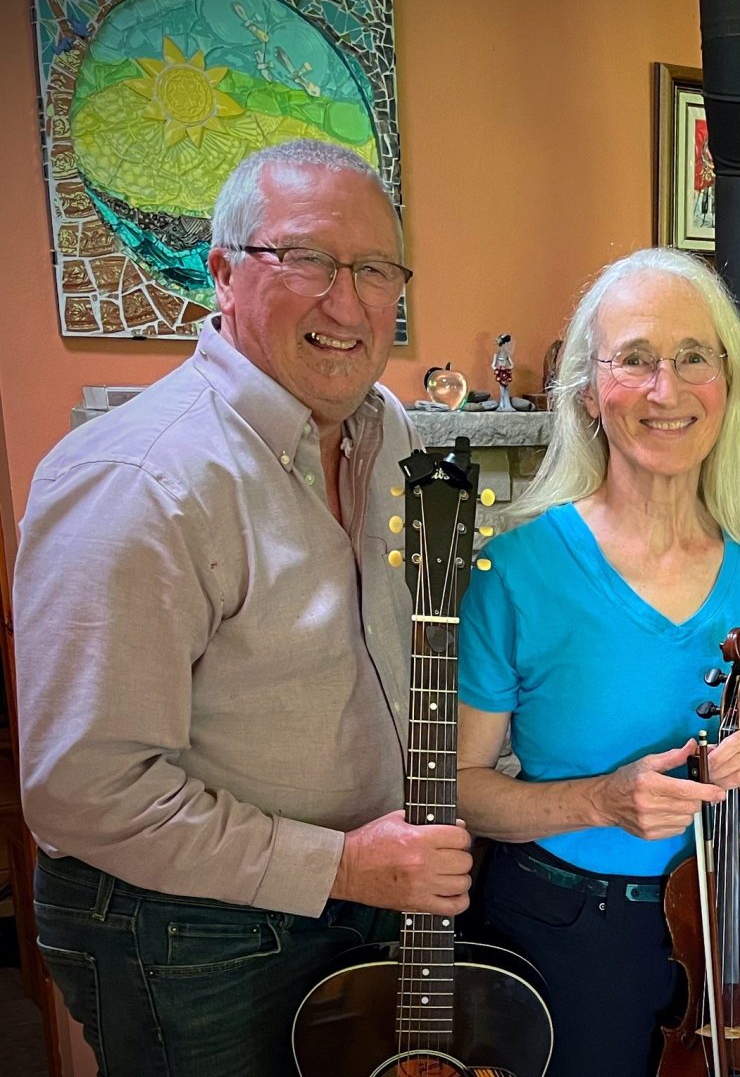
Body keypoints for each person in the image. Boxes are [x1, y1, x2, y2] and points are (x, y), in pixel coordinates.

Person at [15, 140, 473, 1076]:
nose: (347, 302)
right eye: (305, 259)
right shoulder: (138, 479)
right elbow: (83, 790)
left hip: (363, 895)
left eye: (375, 269)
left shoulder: (389, 429)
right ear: (223, 274)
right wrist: (342, 866)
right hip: (187, 930)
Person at [456, 246, 740, 1077]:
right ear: (589, 393)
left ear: (727, 384)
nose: (667, 389)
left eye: (695, 357)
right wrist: (600, 801)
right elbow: (461, 789)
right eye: (634, 360)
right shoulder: (513, 572)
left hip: (736, 933)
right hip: (564, 935)